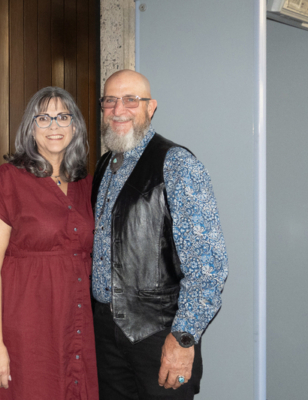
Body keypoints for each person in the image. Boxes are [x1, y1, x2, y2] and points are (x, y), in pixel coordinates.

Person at [91, 70, 228, 399]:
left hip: (158, 335)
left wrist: (183, 338)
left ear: (150, 108)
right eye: (110, 100)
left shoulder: (178, 164)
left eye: (131, 100)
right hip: (105, 336)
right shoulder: (104, 165)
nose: (118, 109)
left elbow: (209, 265)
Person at [0, 87, 98, 399]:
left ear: (75, 126)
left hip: (73, 321)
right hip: (23, 324)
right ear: (30, 128)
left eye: (63, 117)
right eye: (44, 118)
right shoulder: (6, 180)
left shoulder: (85, 182)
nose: (54, 126)